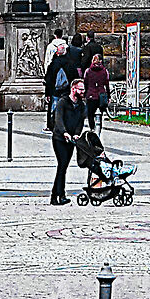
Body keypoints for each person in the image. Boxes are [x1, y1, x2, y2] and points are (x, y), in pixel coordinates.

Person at [49, 78, 89, 206]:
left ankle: (56, 195)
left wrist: (77, 134)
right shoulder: (63, 102)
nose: (83, 92)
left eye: (83, 89)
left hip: (71, 140)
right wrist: (64, 132)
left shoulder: (81, 105)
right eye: (80, 89)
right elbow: (58, 119)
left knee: (63, 167)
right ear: (73, 89)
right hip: (59, 139)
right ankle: (59, 195)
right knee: (62, 165)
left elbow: (80, 121)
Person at [84, 51, 112, 133]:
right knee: (100, 114)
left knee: (90, 114)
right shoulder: (104, 71)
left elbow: (85, 82)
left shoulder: (88, 71)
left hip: (91, 94)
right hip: (101, 95)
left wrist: (85, 93)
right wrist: (109, 96)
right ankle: (99, 127)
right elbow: (107, 84)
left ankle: (92, 128)